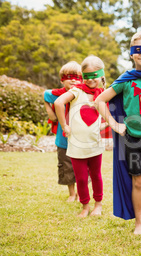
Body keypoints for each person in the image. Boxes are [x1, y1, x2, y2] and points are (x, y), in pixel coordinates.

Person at [95, 31, 141, 237]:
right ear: (131, 54)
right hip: (134, 137)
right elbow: (99, 101)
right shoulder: (125, 79)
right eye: (138, 50)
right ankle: (139, 224)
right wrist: (115, 125)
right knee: (138, 181)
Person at [54, 55, 107, 218]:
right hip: (76, 145)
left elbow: (108, 115)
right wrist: (64, 126)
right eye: (87, 77)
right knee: (82, 178)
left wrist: (105, 125)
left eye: (94, 76)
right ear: (82, 76)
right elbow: (58, 103)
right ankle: (85, 206)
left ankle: (98, 204)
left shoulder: (103, 94)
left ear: (101, 75)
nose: (91, 80)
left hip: (94, 144)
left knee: (96, 175)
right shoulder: (76, 91)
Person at [43, 61, 82, 202]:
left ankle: (81, 192)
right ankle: (72, 193)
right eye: (69, 76)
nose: (73, 79)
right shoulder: (57, 94)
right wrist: (50, 111)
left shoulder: (84, 93)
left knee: (82, 166)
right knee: (66, 166)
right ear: (62, 79)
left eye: (77, 77)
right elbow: (45, 95)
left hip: (81, 138)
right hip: (63, 138)